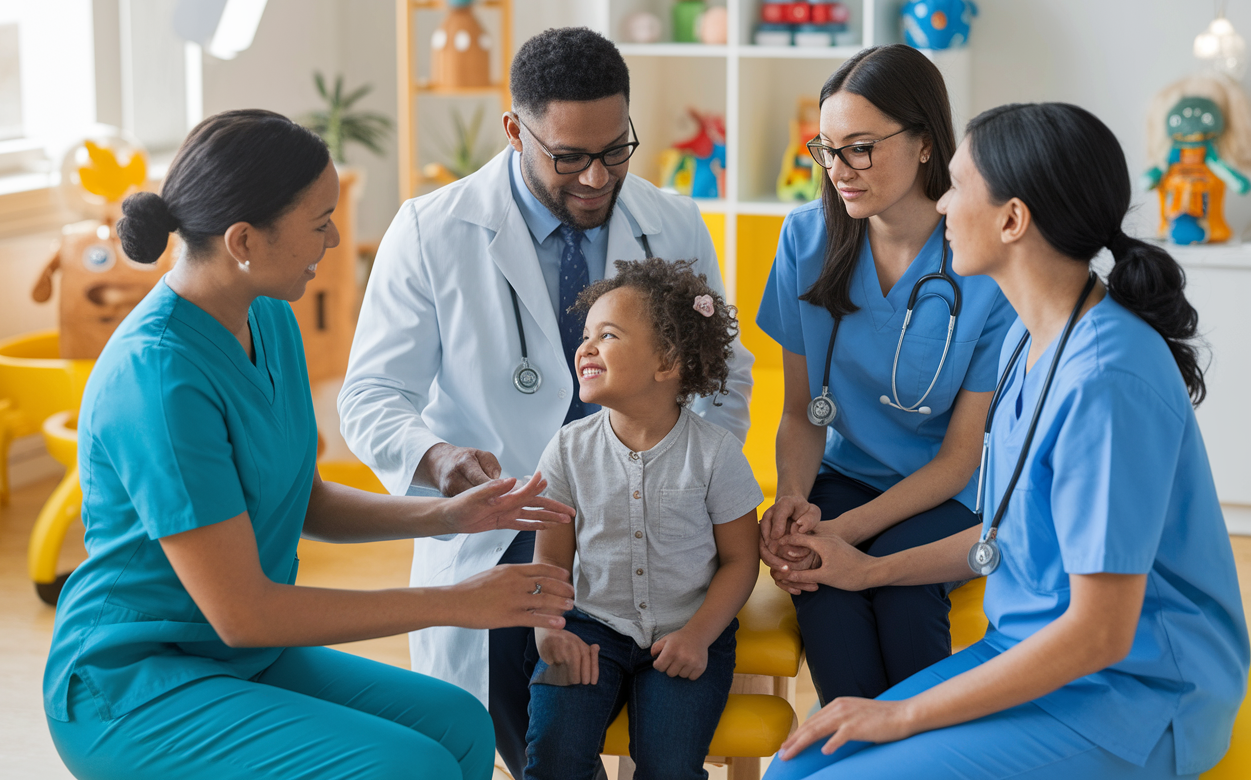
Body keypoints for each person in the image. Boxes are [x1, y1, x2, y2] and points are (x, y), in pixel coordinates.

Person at [43, 110, 579, 780]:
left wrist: (448, 515)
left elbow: (301, 497)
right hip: (135, 679)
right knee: (407, 767)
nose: (331, 239)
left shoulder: (265, 314)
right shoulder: (158, 379)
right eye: (318, 221)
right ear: (244, 239)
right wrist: (459, 601)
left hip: (235, 654)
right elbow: (244, 612)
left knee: (460, 726)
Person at [763, 102, 1249, 780]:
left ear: (1013, 219)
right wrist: (865, 569)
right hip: (1027, 655)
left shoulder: (1106, 380)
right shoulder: (1030, 338)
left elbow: (1101, 632)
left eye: (957, 187)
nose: (940, 209)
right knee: (793, 769)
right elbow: (1010, 537)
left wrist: (900, 715)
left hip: (1132, 696)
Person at [338, 27, 753, 778]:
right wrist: (437, 458)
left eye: (615, 149)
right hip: (508, 523)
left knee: (669, 729)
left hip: (657, 515)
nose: (597, 177)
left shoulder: (673, 222)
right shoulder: (432, 231)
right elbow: (371, 395)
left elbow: (721, 375)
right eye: (569, 156)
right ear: (513, 131)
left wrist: (695, 484)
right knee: (538, 728)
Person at [756, 44, 1015, 706]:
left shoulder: (981, 261)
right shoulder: (805, 240)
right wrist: (793, 506)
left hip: (945, 495)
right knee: (825, 599)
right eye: (828, 149)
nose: (840, 170)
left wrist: (845, 536)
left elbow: (960, 459)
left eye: (861, 148)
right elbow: (799, 413)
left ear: (926, 143)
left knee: (901, 601)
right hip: (845, 478)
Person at [524, 259, 763, 780]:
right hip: (591, 625)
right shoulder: (566, 449)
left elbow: (743, 561)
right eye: (585, 335)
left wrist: (699, 635)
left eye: (607, 336)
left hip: (686, 630)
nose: (585, 348)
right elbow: (550, 563)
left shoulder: (717, 454)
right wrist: (549, 635)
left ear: (667, 360)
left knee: (670, 768)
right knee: (554, 759)